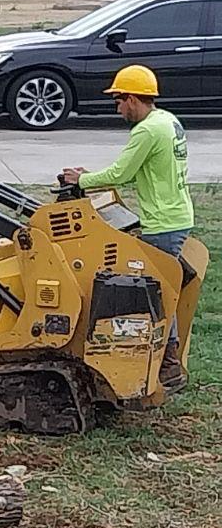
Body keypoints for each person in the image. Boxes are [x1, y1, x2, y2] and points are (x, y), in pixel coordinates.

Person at [61, 63, 193, 388]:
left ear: (132, 99)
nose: (118, 108)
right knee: (162, 288)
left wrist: (82, 179)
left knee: (157, 294)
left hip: (163, 223)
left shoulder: (146, 130)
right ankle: (160, 359)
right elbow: (133, 171)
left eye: (118, 101)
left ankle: (168, 364)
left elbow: (122, 173)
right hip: (177, 216)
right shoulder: (168, 121)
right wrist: (92, 178)